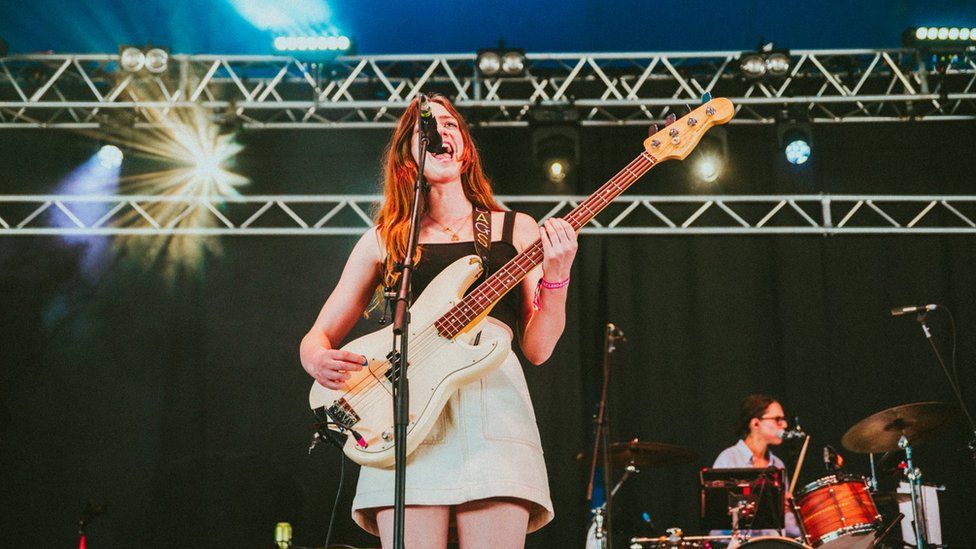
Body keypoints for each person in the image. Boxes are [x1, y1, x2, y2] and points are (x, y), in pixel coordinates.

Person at [299, 94, 578, 548]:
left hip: (493, 413)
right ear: (409, 155)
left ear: (464, 146)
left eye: (451, 125)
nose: (441, 132)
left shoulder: (514, 229)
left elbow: (538, 349)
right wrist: (316, 360)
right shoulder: (385, 240)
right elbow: (318, 335)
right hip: (402, 410)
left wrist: (558, 277)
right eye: (427, 129)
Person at [712, 394, 802, 539]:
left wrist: (793, 513)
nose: (784, 425)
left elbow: (786, 524)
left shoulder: (778, 464)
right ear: (755, 423)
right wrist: (767, 504)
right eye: (777, 419)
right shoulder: (729, 459)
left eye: (783, 419)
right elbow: (717, 516)